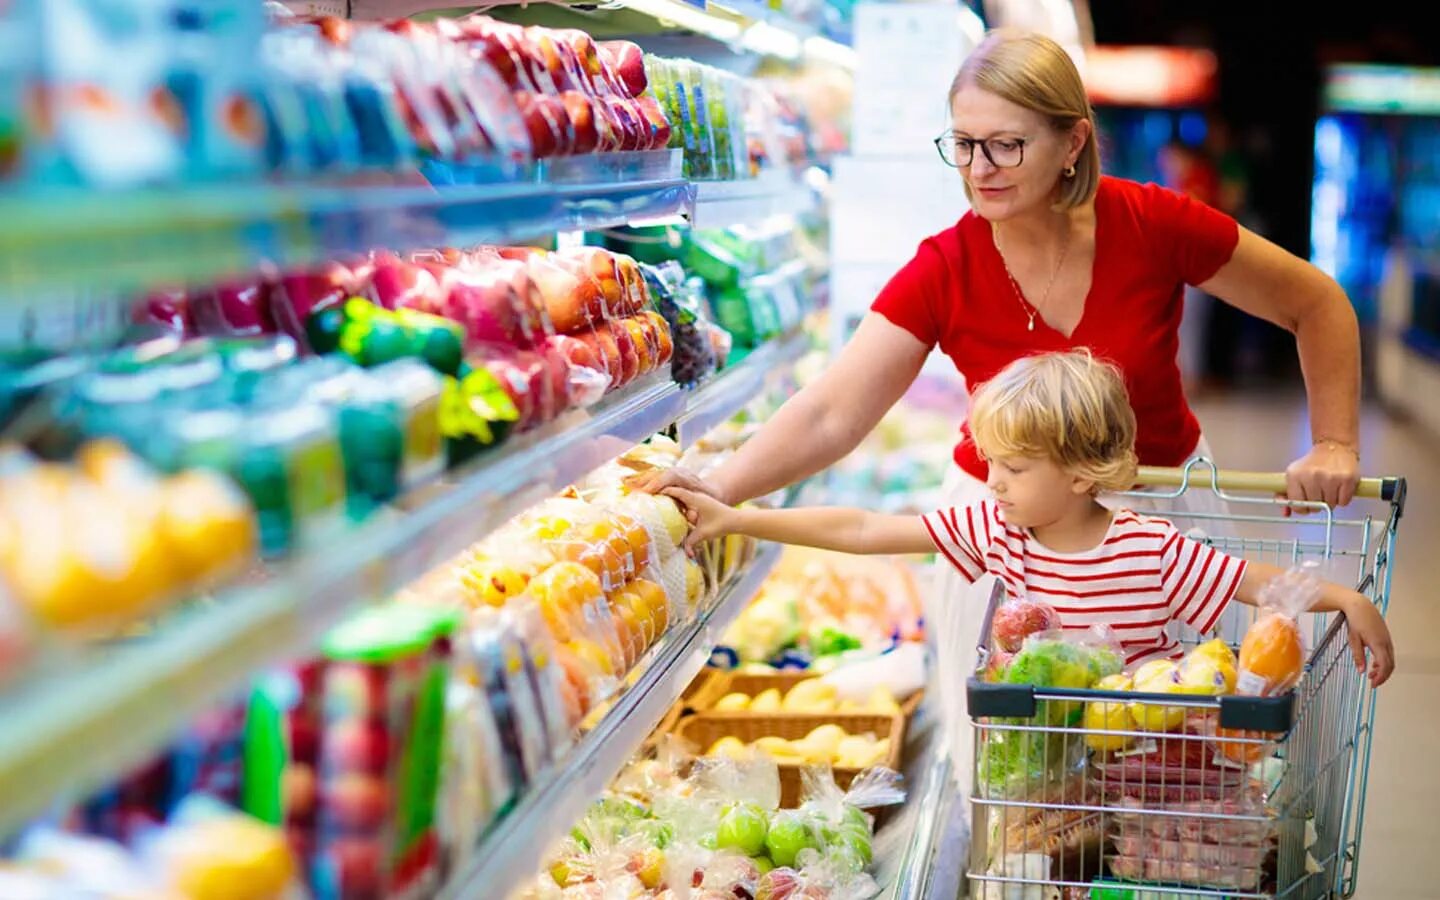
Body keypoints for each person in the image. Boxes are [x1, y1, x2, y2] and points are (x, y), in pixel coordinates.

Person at [629, 27, 1369, 800]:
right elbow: (830, 415)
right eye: (965, 145)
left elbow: (1314, 304)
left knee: (1170, 765)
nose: (980, 170)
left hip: (1161, 529)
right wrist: (720, 486)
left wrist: (1336, 440)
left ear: (1073, 142)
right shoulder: (947, 264)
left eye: (1007, 146)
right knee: (1021, 783)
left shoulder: (1154, 224)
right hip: (1007, 540)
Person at [663, 350, 1395, 688]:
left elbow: (1255, 583)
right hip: (1033, 775)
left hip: (1141, 774)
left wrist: (1348, 598)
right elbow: (863, 530)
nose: (992, 481)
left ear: (1080, 474)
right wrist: (737, 518)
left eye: (1013, 468)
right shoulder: (995, 529)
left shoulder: (1152, 550)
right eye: (991, 463)